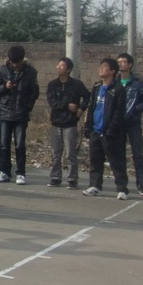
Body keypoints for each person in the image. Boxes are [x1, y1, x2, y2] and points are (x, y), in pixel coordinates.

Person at [82, 58, 130, 200]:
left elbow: (119, 112)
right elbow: (91, 107)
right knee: (95, 160)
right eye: (100, 67)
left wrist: (111, 130)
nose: (100, 69)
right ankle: (95, 185)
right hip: (95, 130)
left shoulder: (118, 89)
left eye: (104, 67)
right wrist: (87, 126)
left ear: (112, 71)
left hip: (110, 133)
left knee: (116, 161)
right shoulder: (97, 87)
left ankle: (122, 189)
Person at [0, 45, 39, 185]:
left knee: (19, 144)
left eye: (17, 62)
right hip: (5, 111)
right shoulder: (2, 70)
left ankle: (20, 173)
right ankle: (4, 171)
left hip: (21, 113)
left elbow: (34, 92)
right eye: (13, 62)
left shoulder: (30, 72)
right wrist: (5, 87)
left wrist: (27, 107)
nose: (15, 64)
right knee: (3, 144)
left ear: (22, 59)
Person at [46, 58, 90, 189]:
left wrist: (81, 110)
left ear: (69, 69)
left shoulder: (76, 84)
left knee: (70, 154)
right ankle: (55, 177)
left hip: (70, 123)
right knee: (55, 153)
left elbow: (88, 96)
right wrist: (66, 105)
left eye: (62, 66)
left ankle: (72, 179)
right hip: (56, 123)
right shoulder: (52, 85)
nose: (58, 67)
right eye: (58, 65)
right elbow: (52, 102)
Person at [117, 53, 143, 196]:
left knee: (137, 154)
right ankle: (121, 185)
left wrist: (135, 109)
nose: (120, 64)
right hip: (118, 123)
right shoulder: (114, 81)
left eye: (123, 62)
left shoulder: (138, 83)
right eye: (118, 62)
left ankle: (141, 185)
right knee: (119, 154)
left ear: (130, 65)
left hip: (133, 123)